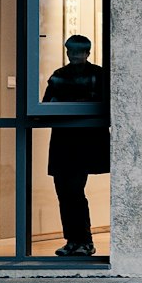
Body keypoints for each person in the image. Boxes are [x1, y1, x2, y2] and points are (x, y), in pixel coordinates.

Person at [43, 34, 110, 257]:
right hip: (69, 140)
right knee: (65, 192)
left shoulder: (92, 75)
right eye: (73, 51)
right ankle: (74, 240)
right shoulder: (66, 76)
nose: (75, 55)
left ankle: (83, 240)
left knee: (72, 191)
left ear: (87, 53)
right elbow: (47, 106)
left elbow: (51, 104)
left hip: (79, 141)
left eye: (79, 52)